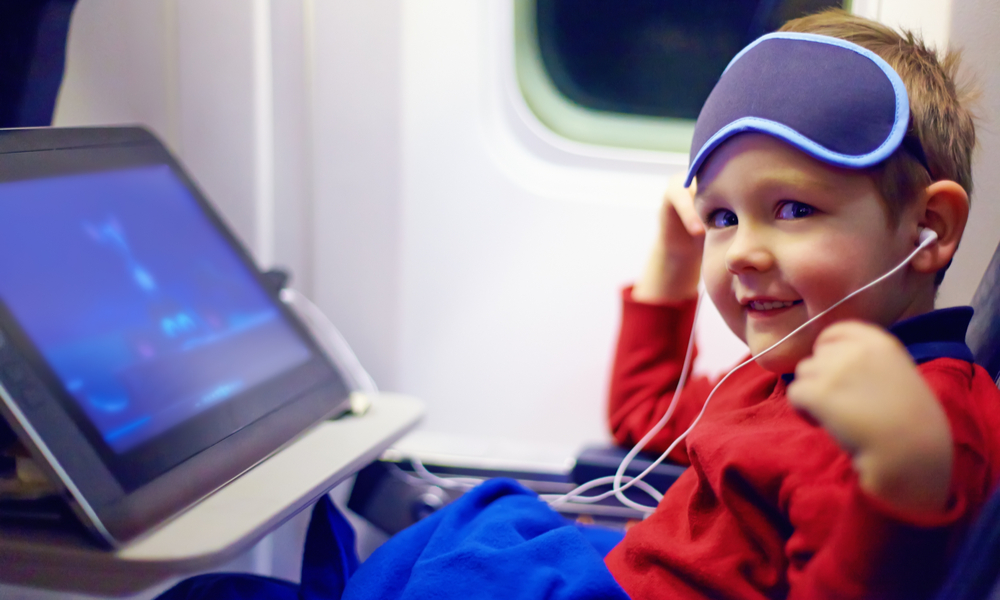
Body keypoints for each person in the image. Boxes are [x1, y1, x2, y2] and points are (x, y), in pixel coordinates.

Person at [604, 9, 1000, 600]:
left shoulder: (916, 425)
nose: (741, 253)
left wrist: (901, 480)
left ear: (929, 226)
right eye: (722, 216)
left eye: (792, 209)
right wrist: (676, 260)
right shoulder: (789, 372)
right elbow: (646, 413)